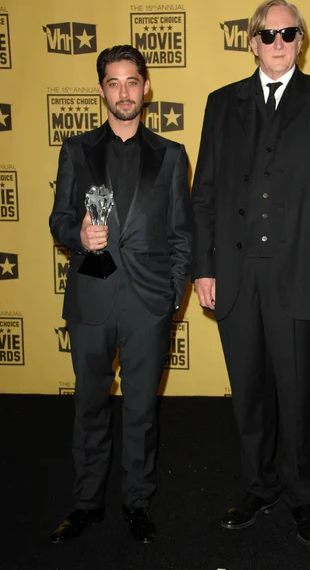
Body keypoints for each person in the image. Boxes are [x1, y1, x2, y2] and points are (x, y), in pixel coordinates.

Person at [192, 0, 310, 546]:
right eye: (268, 34)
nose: (279, 42)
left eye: (289, 33)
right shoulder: (221, 104)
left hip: (301, 273)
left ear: (302, 39)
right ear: (252, 40)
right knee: (250, 392)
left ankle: (303, 496)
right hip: (237, 274)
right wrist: (204, 267)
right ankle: (258, 487)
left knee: (300, 394)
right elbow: (207, 193)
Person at [49, 45, 192, 544]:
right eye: (113, 82)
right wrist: (76, 236)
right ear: (101, 90)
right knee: (89, 405)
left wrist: (172, 297)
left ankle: (137, 502)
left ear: (146, 86)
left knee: (141, 411)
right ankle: (86, 502)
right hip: (91, 298)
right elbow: (59, 216)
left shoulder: (172, 156)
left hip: (148, 304)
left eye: (132, 81)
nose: (124, 91)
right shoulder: (76, 150)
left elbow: (181, 235)